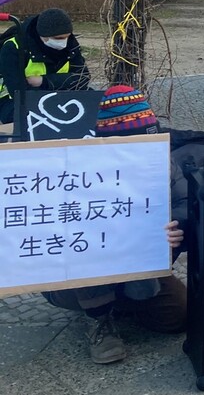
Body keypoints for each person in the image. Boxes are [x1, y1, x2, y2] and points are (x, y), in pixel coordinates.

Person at [43, 86, 187, 364]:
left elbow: (183, 202)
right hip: (77, 274)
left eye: (152, 142)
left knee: (178, 318)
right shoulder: (75, 172)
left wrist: (177, 229)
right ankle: (99, 317)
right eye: (135, 146)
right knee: (87, 240)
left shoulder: (163, 161)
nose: (147, 151)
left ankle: (121, 299)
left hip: (139, 267)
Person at [0, 8, 90, 123]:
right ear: (42, 35)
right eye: (59, 39)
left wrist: (44, 81)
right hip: (14, 101)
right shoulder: (14, 48)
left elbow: (82, 78)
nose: (64, 42)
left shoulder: (71, 44)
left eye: (67, 37)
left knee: (92, 105)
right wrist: (61, 84)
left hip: (61, 96)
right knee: (22, 117)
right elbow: (17, 91)